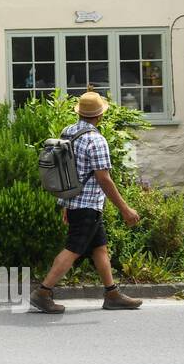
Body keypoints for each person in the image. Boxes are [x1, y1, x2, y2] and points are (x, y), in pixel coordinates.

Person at [30, 91, 143, 313]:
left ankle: (112, 294)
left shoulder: (68, 132)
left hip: (76, 203)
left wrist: (65, 204)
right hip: (87, 206)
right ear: (100, 116)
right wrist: (125, 209)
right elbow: (104, 178)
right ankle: (43, 292)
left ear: (80, 113)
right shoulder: (96, 140)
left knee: (100, 248)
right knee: (73, 249)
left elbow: (65, 172)